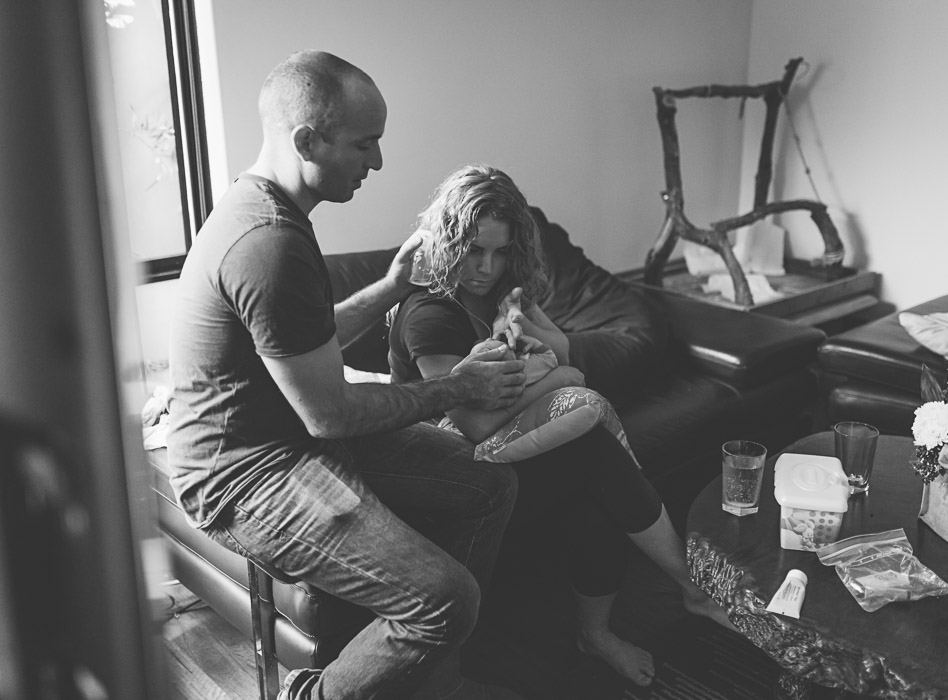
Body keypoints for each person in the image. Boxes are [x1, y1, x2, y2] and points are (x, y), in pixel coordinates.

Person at [166, 51, 530, 700]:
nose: (379, 163)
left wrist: (389, 290)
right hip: (245, 472)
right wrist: (455, 388)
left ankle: (430, 678)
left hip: (289, 434)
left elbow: (298, 338)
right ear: (308, 139)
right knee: (446, 598)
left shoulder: (270, 210)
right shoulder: (269, 240)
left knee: (489, 481)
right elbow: (328, 415)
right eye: (367, 145)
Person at [388, 163, 734, 688]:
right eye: (474, 250)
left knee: (594, 490)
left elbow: (565, 347)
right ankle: (690, 585)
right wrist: (561, 377)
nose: (486, 266)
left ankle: (598, 635)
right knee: (590, 449)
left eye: (501, 252)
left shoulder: (502, 296)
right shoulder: (429, 313)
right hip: (444, 472)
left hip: (494, 449)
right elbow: (473, 424)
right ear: (447, 241)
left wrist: (543, 340)